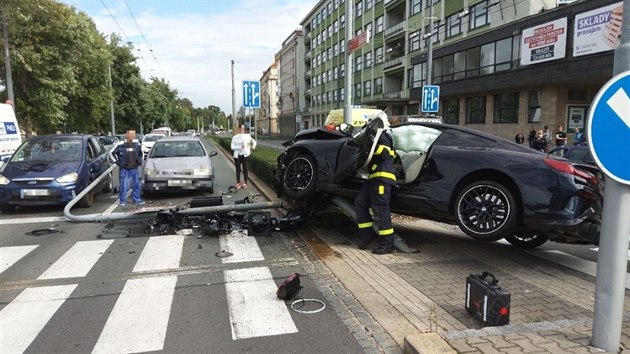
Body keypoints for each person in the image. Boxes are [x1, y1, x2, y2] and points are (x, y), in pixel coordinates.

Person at [354, 116, 399, 255]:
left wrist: (369, 146)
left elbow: (384, 152)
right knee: (360, 203)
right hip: (373, 177)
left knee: (380, 209)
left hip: (383, 177)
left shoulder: (383, 135)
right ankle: (368, 236)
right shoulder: (375, 136)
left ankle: (388, 243)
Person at [112, 129, 144, 206]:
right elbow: (111, 153)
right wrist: (118, 163)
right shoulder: (119, 144)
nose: (133, 136)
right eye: (131, 134)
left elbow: (140, 153)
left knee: (136, 185)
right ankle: (122, 201)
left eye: (134, 134)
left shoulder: (137, 144)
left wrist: (139, 162)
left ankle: (137, 199)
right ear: (127, 135)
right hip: (124, 169)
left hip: (134, 168)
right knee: (124, 185)